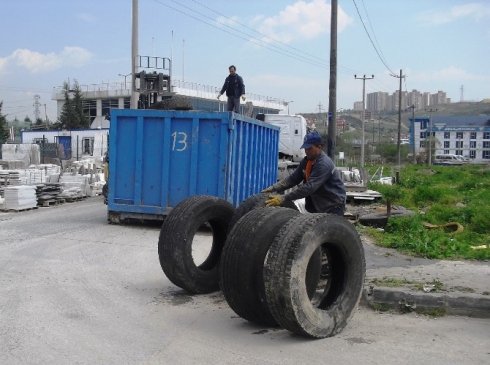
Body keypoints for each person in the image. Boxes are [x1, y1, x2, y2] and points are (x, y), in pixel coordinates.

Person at [262, 132, 346, 216]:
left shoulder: (323, 164)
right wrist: (274, 187)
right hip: (318, 204)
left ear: (319, 147)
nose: (306, 151)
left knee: (328, 228)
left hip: (332, 206)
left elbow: (309, 188)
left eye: (309, 148)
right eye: (305, 148)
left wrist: (284, 197)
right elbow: (293, 179)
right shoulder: (307, 161)